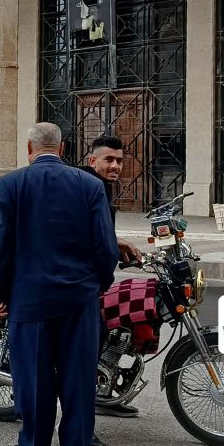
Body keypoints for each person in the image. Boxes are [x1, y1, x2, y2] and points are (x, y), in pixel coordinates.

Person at [0, 123, 119, 446]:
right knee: (79, 376)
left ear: (29, 149)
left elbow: (0, 245)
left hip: (30, 300)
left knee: (33, 377)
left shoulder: (10, 184)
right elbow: (105, 247)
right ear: (61, 150)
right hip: (79, 299)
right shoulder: (90, 185)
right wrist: (99, 284)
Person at [77, 135, 141, 425]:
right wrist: (106, 275)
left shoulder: (100, 186)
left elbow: (97, 231)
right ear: (93, 161)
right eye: (109, 160)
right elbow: (92, 239)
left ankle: (104, 392)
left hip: (89, 277)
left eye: (119, 160)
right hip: (83, 281)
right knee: (95, 335)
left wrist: (119, 241)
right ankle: (89, 404)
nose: (115, 165)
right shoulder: (91, 187)